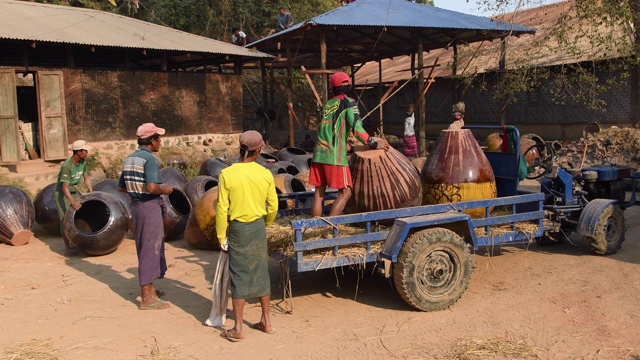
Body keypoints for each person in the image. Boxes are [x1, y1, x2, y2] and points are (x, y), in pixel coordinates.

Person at [216, 130, 278, 342]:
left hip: (238, 229)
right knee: (261, 271)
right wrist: (266, 223)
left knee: (239, 274)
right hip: (258, 227)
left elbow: (222, 208)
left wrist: (221, 236)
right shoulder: (265, 173)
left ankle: (239, 327)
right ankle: (267, 322)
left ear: (240, 148)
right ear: (259, 150)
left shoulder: (227, 174)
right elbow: (273, 205)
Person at [309, 71, 390, 217]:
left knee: (319, 193)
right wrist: (373, 144)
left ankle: (315, 230)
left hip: (318, 153)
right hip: (334, 156)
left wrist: (350, 146)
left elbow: (331, 130)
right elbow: (357, 129)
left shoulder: (327, 104)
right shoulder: (349, 102)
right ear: (348, 86)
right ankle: (330, 226)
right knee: (346, 192)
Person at [118, 123, 174, 311]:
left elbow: (122, 187)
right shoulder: (149, 160)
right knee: (151, 248)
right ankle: (146, 298)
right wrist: (166, 189)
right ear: (152, 141)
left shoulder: (129, 159)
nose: (160, 143)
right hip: (149, 206)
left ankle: (150, 291)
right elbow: (152, 187)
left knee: (144, 246)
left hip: (136, 206)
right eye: (159, 139)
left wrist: (136, 190)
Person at [54, 139, 93, 256]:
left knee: (77, 215)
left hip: (73, 190)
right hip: (62, 193)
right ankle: (67, 247)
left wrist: (91, 192)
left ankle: (76, 241)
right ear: (79, 152)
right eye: (85, 151)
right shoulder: (67, 166)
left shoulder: (83, 163)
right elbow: (64, 188)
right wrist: (73, 202)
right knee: (65, 219)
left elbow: (86, 178)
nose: (87, 153)